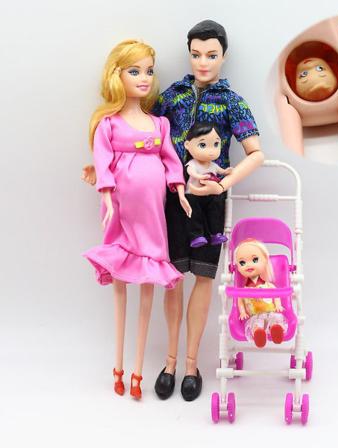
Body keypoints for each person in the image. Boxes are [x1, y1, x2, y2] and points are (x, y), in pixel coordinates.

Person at [82, 20, 264, 401]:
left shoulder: (232, 102)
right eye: (196, 54)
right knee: (173, 276)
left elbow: (255, 154)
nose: (203, 62)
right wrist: (103, 167)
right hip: (170, 199)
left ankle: (192, 364)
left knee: (203, 277)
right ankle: (169, 363)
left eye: (211, 55)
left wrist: (224, 184)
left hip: (210, 202)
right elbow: (140, 132)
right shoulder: (172, 96)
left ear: (224, 56)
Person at [83, 39, 191, 400]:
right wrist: (106, 194)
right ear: (117, 75)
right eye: (135, 71)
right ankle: (118, 364)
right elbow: (102, 161)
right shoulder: (108, 124)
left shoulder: (159, 123)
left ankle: (138, 371)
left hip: (152, 209)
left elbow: (171, 160)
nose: (144, 78)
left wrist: (179, 189)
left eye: (148, 71)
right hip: (121, 207)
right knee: (121, 284)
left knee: (147, 281)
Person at [184, 121, 232, 248]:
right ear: (187, 145)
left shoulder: (213, 165)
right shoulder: (193, 163)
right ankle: (196, 236)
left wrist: (226, 171)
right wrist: (200, 176)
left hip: (210, 195)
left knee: (214, 213)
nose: (211, 151)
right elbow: (191, 172)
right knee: (194, 215)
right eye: (203, 145)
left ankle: (215, 234)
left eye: (216, 144)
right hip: (192, 195)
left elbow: (221, 171)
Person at [235, 239, 287, 348]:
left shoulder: (268, 285)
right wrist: (242, 312)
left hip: (270, 312)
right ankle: (259, 334)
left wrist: (278, 305)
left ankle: (275, 330)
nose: (248, 265)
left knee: (275, 319)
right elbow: (240, 301)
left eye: (255, 260)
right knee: (255, 324)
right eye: (242, 263)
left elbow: (276, 295)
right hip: (255, 315)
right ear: (238, 267)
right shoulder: (244, 290)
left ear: (265, 261)